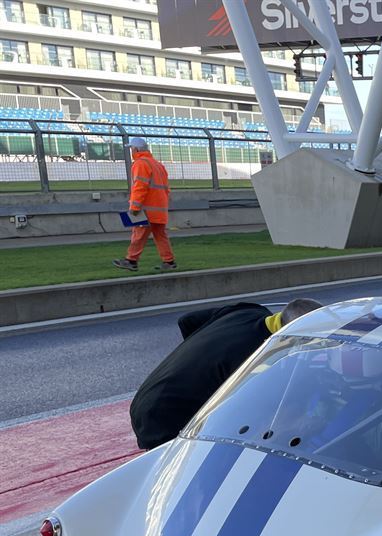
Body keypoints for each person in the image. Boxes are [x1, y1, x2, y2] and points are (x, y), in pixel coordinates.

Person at [129, 298, 322, 449]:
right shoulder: (256, 356)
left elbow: (186, 321)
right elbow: (252, 411)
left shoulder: (247, 310)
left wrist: (199, 359)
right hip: (163, 416)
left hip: (145, 397)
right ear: (293, 333)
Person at [113, 138, 176, 273]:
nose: (131, 151)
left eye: (131, 149)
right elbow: (166, 189)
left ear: (136, 150)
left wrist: (134, 207)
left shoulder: (140, 164)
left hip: (146, 209)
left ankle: (131, 261)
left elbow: (139, 187)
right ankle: (169, 261)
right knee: (160, 235)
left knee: (138, 234)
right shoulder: (158, 165)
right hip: (159, 209)